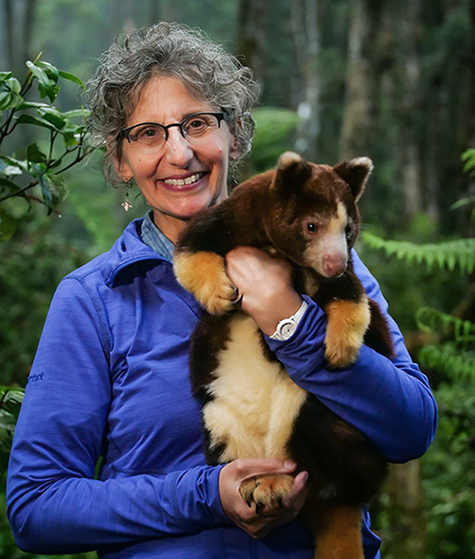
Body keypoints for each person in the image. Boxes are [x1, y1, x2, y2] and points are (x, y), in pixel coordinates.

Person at [6, 22, 437, 559]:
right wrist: (206, 495)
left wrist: (292, 323)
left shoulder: (325, 260)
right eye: (147, 133)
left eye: (197, 123)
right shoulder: (94, 299)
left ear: (235, 135)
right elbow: (36, 509)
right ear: (119, 161)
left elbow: (413, 428)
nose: (179, 153)